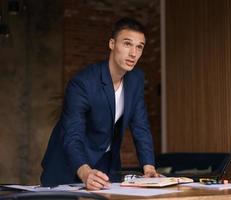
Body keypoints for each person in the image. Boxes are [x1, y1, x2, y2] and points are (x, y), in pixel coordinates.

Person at [40, 17, 159, 190]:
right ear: (112, 43)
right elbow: (72, 133)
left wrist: (149, 167)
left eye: (139, 47)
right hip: (68, 162)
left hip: (105, 164)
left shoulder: (136, 80)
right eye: (127, 44)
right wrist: (84, 171)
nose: (133, 53)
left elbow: (140, 125)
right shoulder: (83, 83)